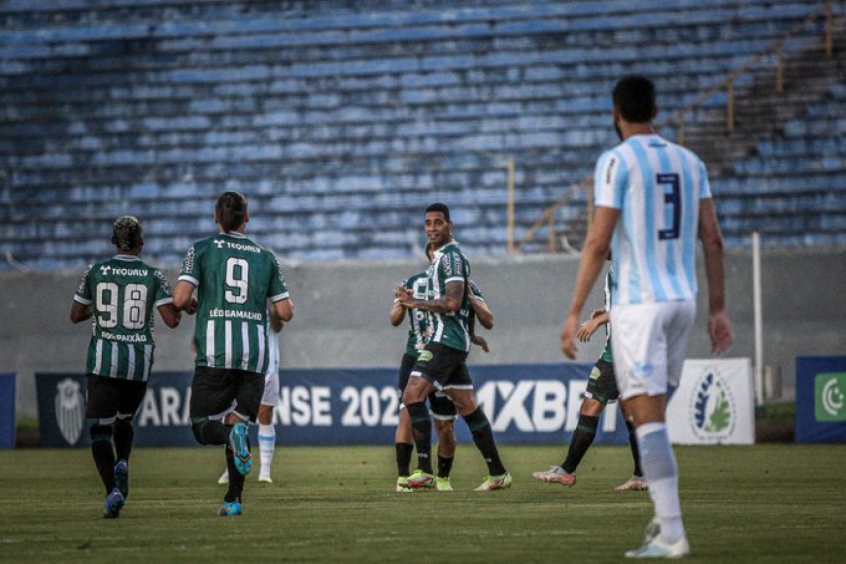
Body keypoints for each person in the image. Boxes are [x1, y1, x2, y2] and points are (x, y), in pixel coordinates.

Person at [560, 75, 733, 558]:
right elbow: (714, 239)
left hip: (640, 306)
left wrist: (574, 310)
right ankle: (665, 517)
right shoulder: (690, 161)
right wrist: (719, 308)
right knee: (648, 412)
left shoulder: (616, 160)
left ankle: (672, 532)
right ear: (655, 109)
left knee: (646, 418)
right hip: (684, 302)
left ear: (616, 114)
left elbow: (597, 242)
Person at [173, 191, 294, 517]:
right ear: (247, 217)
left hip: (215, 352)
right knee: (239, 421)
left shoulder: (200, 250)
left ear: (216, 217)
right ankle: (233, 499)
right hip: (255, 356)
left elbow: (181, 298)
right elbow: (284, 310)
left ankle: (232, 438)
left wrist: (196, 304)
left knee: (201, 425)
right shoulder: (266, 256)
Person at [70, 215, 185, 518]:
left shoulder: (94, 272)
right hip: (137, 364)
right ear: (141, 242)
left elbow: (76, 313)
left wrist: (103, 308)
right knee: (124, 420)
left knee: (98, 430)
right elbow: (172, 321)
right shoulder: (154, 276)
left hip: (102, 362)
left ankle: (113, 490)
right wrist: (181, 309)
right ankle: (123, 460)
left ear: (112, 242)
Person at [399, 203, 510, 492]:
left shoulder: (451, 259)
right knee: (467, 406)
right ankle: (498, 472)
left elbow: (451, 304)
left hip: (445, 341)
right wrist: (472, 335)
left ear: (450, 225)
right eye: (428, 223)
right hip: (452, 340)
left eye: (438, 223)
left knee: (412, 394)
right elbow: (460, 307)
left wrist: (416, 303)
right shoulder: (442, 260)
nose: (432, 228)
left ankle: (424, 469)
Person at [533, 263, 646, 491]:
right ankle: (642, 475)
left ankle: (567, 470)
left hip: (619, 351)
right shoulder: (627, 263)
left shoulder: (626, 266)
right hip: (635, 349)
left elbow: (634, 308)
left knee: (590, 407)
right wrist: (604, 313)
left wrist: (598, 321)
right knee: (631, 413)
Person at [218, 307, 284, 485]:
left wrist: (272, 312)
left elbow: (278, 326)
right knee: (233, 417)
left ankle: (265, 470)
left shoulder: (270, 299)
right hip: (239, 364)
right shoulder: (236, 301)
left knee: (265, 413)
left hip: (268, 365)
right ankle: (231, 467)